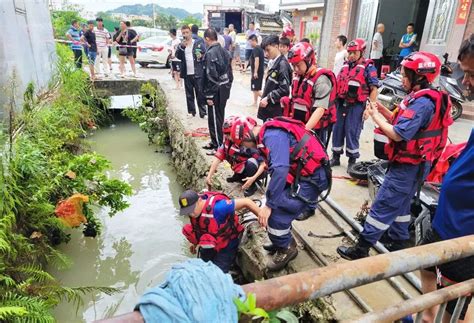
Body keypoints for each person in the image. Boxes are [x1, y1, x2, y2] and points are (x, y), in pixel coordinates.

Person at [337, 52, 453, 260]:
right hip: (415, 163)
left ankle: (361, 248)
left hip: (409, 166)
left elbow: (398, 134)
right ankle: (398, 240)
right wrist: (381, 109)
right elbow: (399, 122)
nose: (403, 78)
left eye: (406, 75)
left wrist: (374, 117)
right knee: (401, 204)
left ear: (420, 77)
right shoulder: (420, 98)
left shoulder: (423, 104)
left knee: (384, 203)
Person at [418, 36, 474, 323]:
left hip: (465, 230)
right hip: (446, 219)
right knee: (426, 267)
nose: (466, 82)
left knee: (458, 301)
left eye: (473, 74)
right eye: (465, 73)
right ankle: (427, 317)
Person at [230, 116, 330, 271]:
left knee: (276, 215)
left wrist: (269, 204)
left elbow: (280, 169)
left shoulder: (272, 137)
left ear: (246, 136)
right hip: (302, 174)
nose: (246, 148)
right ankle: (281, 241)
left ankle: (286, 248)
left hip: (312, 179)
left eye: (243, 144)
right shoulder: (268, 134)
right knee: (273, 204)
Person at [280, 42, 336, 221]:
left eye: (298, 65)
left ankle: (311, 205)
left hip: (315, 130)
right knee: (298, 164)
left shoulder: (321, 79)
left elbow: (320, 109)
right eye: (294, 66)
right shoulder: (299, 76)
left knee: (314, 166)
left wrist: (305, 133)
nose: (295, 69)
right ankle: (299, 194)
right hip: (301, 128)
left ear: (309, 60)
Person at [178, 189, 260, 273]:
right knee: (203, 268)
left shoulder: (219, 208)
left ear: (199, 201)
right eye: (187, 211)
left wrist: (262, 217)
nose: (190, 214)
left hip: (226, 245)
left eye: (191, 210)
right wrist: (194, 243)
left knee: (218, 273)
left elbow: (246, 202)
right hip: (209, 243)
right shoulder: (194, 213)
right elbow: (198, 227)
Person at [330, 38, 379, 169]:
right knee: (338, 130)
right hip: (341, 103)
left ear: (361, 52)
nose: (351, 56)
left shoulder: (368, 67)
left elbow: (374, 88)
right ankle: (335, 157)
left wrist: (369, 108)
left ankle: (352, 161)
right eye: (350, 53)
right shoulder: (345, 65)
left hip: (356, 106)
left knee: (352, 131)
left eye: (354, 53)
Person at [206, 116, 266, 197]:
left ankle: (252, 185)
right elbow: (218, 157)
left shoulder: (248, 142)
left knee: (250, 163)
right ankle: (238, 176)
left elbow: (263, 163)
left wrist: (253, 178)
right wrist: (209, 175)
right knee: (230, 154)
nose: (227, 137)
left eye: (229, 134)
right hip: (242, 164)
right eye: (226, 134)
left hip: (259, 169)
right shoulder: (228, 142)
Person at [201, 28, 233, 152]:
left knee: (215, 118)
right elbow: (230, 75)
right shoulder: (225, 52)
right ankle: (215, 141)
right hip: (223, 88)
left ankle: (219, 146)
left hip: (215, 91)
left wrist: (209, 95)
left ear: (207, 39)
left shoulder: (210, 54)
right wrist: (227, 87)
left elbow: (211, 76)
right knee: (218, 116)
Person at [258, 35, 292, 122]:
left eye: (268, 50)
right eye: (264, 51)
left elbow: (284, 89)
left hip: (275, 111)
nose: (266, 54)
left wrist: (268, 97)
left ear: (276, 46)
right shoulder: (274, 62)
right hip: (269, 109)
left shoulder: (282, 65)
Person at [175, 25, 207, 118]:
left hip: (198, 72)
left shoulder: (197, 42)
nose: (185, 34)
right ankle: (191, 112)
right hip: (187, 73)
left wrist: (201, 56)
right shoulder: (181, 45)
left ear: (190, 32)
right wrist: (182, 47)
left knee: (200, 93)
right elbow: (178, 56)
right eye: (183, 33)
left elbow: (204, 53)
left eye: (187, 32)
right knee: (189, 94)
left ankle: (203, 113)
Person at [249, 34, 264, 107]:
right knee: (255, 88)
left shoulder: (256, 49)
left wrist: (255, 72)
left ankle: (266, 99)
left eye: (250, 42)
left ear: (254, 41)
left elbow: (256, 60)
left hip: (257, 72)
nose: (249, 43)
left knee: (256, 89)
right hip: (259, 72)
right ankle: (255, 103)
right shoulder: (259, 48)